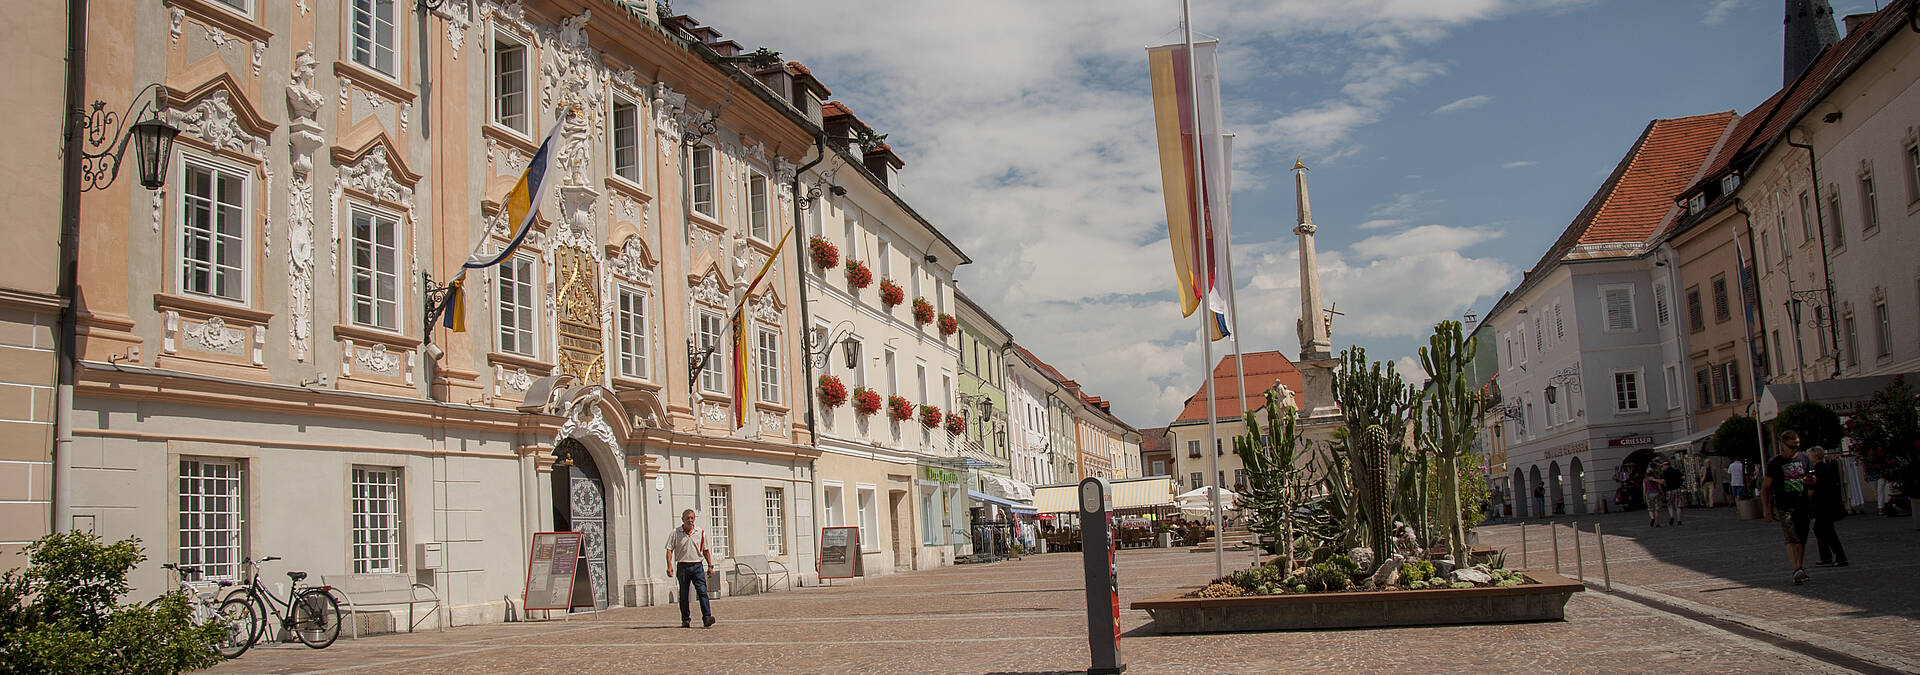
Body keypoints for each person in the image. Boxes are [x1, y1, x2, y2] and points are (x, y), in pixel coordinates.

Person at [1763, 431, 1813, 585]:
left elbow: (1812, 478)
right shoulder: (1775, 463)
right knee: (1791, 536)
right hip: (1784, 505)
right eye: (1791, 447)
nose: (1794, 450)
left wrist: (1811, 481)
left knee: (1801, 537)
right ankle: (1796, 568)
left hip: (1802, 503)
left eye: (1797, 447)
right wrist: (1766, 508)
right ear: (1782, 444)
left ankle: (1799, 568)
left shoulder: (1804, 458)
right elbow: (1766, 487)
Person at [666, 508, 717, 628]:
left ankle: (707, 617)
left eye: (692, 518)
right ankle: (685, 619)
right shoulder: (676, 532)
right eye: (688, 518)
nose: (690, 521)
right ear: (683, 519)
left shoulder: (700, 532)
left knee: (702, 592)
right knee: (684, 594)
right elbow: (669, 550)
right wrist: (669, 566)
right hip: (683, 566)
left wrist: (710, 565)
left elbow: (706, 550)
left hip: (697, 566)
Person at [1807, 446, 1849, 568]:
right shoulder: (1827, 468)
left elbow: (1812, 488)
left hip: (1823, 504)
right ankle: (1826, 556)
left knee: (1827, 531)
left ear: (1814, 456)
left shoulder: (1816, 470)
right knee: (1820, 529)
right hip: (1828, 503)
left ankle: (1839, 557)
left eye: (1809, 455)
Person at [1662, 459, 1686, 525]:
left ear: (1666, 465)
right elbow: (1683, 477)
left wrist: (1655, 480)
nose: (1663, 467)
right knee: (1678, 505)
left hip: (1669, 490)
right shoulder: (1676, 470)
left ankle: (1672, 516)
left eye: (1663, 465)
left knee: (1670, 504)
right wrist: (1679, 481)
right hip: (1677, 489)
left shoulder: (1665, 472)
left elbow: (1663, 482)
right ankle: (1679, 520)